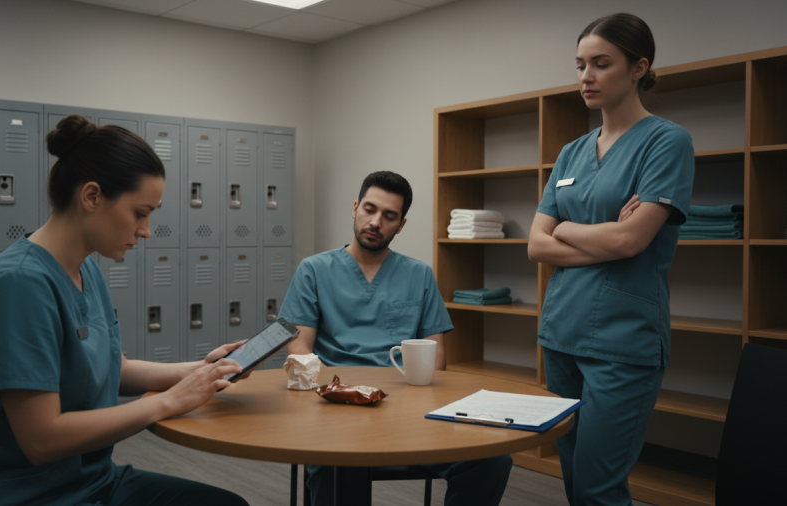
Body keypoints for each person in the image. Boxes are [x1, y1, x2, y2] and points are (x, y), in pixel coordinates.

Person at [0, 115, 249, 506]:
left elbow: (110, 368)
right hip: (24, 495)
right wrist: (169, 401)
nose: (147, 230)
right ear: (91, 197)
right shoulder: (17, 286)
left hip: (90, 481)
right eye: (140, 213)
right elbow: (42, 439)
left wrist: (199, 373)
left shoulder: (84, 267)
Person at [527, 13, 695, 506]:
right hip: (561, 334)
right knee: (575, 478)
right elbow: (536, 245)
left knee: (600, 484)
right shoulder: (571, 152)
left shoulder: (667, 142)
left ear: (639, 67)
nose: (586, 76)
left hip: (623, 342)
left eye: (601, 64)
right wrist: (602, 233)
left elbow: (631, 243)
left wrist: (567, 227)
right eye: (580, 65)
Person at [279, 171, 512, 506]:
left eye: (389, 216)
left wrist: (414, 403)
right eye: (370, 210)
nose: (376, 222)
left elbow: (437, 355)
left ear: (401, 225)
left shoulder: (419, 275)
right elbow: (299, 346)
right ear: (355, 208)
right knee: (342, 465)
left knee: (491, 461)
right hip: (336, 412)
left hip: (406, 412)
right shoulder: (314, 270)